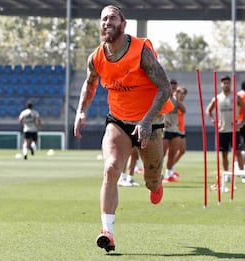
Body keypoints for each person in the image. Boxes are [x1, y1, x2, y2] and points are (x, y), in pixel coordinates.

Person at [73, 5, 172, 253]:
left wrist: (147, 120)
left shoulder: (141, 52)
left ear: (123, 24)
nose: (107, 22)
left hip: (150, 122)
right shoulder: (96, 57)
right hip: (118, 121)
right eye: (103, 18)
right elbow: (90, 82)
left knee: (151, 180)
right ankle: (107, 231)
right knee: (110, 169)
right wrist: (81, 110)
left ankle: (156, 185)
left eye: (112, 18)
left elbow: (165, 88)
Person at [205, 75, 245, 187]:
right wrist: (214, 121)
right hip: (222, 130)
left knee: (237, 152)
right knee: (224, 154)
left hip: (233, 130)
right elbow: (208, 110)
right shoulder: (217, 98)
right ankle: (227, 174)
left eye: (228, 83)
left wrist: (241, 123)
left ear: (230, 84)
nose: (226, 85)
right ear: (221, 85)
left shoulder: (236, 97)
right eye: (224, 83)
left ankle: (243, 175)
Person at [162, 80, 185, 182]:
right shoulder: (163, 98)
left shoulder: (176, 100)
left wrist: (178, 100)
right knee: (162, 153)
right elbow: (156, 110)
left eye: (175, 88)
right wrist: (163, 121)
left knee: (172, 152)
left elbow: (184, 110)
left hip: (174, 129)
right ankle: (157, 173)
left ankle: (168, 173)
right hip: (164, 129)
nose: (173, 89)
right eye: (172, 87)